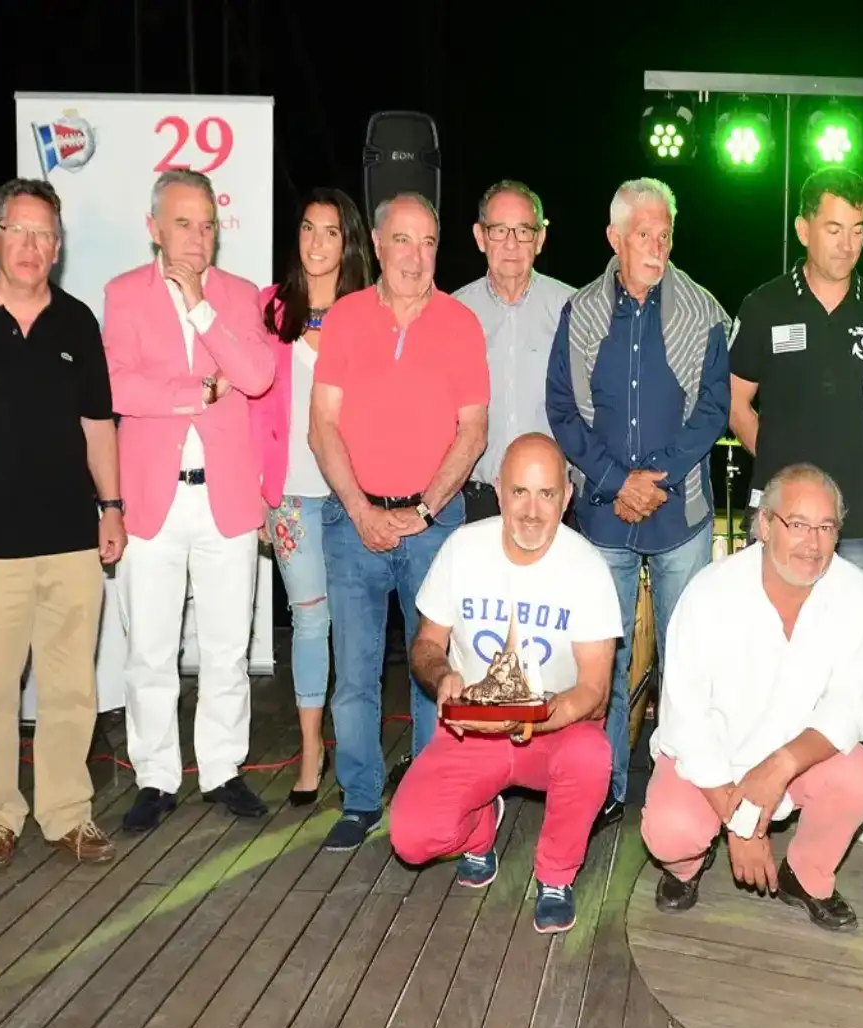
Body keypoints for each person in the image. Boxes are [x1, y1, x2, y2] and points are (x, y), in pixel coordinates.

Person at [0, 178, 125, 873]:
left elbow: (98, 424)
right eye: (18, 231)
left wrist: (112, 506)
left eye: (44, 234)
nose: (31, 246)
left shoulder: (77, 322)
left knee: (73, 686)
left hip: (73, 539)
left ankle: (68, 814)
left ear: (59, 245)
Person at [546, 178, 730, 830]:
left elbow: (713, 411)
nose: (657, 245)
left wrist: (657, 479)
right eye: (644, 234)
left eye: (664, 233)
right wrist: (616, 482)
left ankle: (679, 788)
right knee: (606, 660)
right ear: (614, 238)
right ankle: (606, 788)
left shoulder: (704, 310)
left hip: (679, 516)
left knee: (686, 658)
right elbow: (563, 412)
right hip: (603, 512)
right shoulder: (581, 311)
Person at [311, 192, 488, 853]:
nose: (416, 257)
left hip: (433, 525)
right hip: (351, 520)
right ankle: (358, 798)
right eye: (403, 241)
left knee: (433, 664)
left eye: (427, 243)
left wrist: (419, 512)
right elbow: (320, 425)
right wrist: (360, 509)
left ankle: (424, 789)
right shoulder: (347, 319)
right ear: (378, 246)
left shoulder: (461, 324)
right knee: (353, 673)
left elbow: (472, 433)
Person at [392, 434, 623, 933]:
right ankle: (478, 827)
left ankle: (556, 875)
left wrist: (536, 720)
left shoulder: (587, 566)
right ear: (498, 492)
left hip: (556, 727)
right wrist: (443, 677)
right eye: (520, 492)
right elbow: (426, 645)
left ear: (566, 496)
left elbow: (595, 690)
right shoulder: (462, 548)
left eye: (546, 494)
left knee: (591, 755)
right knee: (410, 840)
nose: (533, 511)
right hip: (473, 727)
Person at [104, 168, 275, 833]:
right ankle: (155, 776)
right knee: (150, 649)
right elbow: (118, 387)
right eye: (183, 223)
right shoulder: (123, 295)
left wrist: (202, 307)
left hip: (226, 501)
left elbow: (256, 376)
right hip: (153, 500)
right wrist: (196, 393)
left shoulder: (237, 295)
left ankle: (224, 769)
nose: (198, 235)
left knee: (228, 648)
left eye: (207, 223)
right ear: (153, 229)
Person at [642, 464, 863, 931]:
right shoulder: (710, 593)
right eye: (797, 524)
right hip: (713, 765)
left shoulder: (856, 593)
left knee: (857, 776)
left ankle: (807, 876)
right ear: (765, 525)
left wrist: (781, 766)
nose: (812, 543)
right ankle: (687, 869)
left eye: (826, 527)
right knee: (670, 832)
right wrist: (741, 823)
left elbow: (849, 708)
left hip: (793, 764)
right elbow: (686, 719)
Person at [249, 188, 372, 808]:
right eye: (308, 229)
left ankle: (354, 748)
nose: (317, 242)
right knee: (309, 620)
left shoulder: (368, 310)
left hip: (354, 492)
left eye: (331, 231)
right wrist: (258, 497)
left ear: (348, 242)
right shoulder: (271, 308)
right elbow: (250, 405)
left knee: (352, 625)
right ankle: (308, 748)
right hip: (292, 494)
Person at [728, 166, 863, 580]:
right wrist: (778, 460)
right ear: (803, 229)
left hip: (854, 518)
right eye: (834, 229)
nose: (847, 244)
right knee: (767, 632)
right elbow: (734, 401)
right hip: (780, 514)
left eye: (858, 230)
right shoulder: (764, 305)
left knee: (850, 634)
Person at [455, 181, 574, 523]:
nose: (511, 243)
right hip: (474, 501)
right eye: (499, 230)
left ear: (540, 239)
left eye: (523, 231)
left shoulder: (571, 309)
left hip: (551, 501)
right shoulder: (454, 313)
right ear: (480, 237)